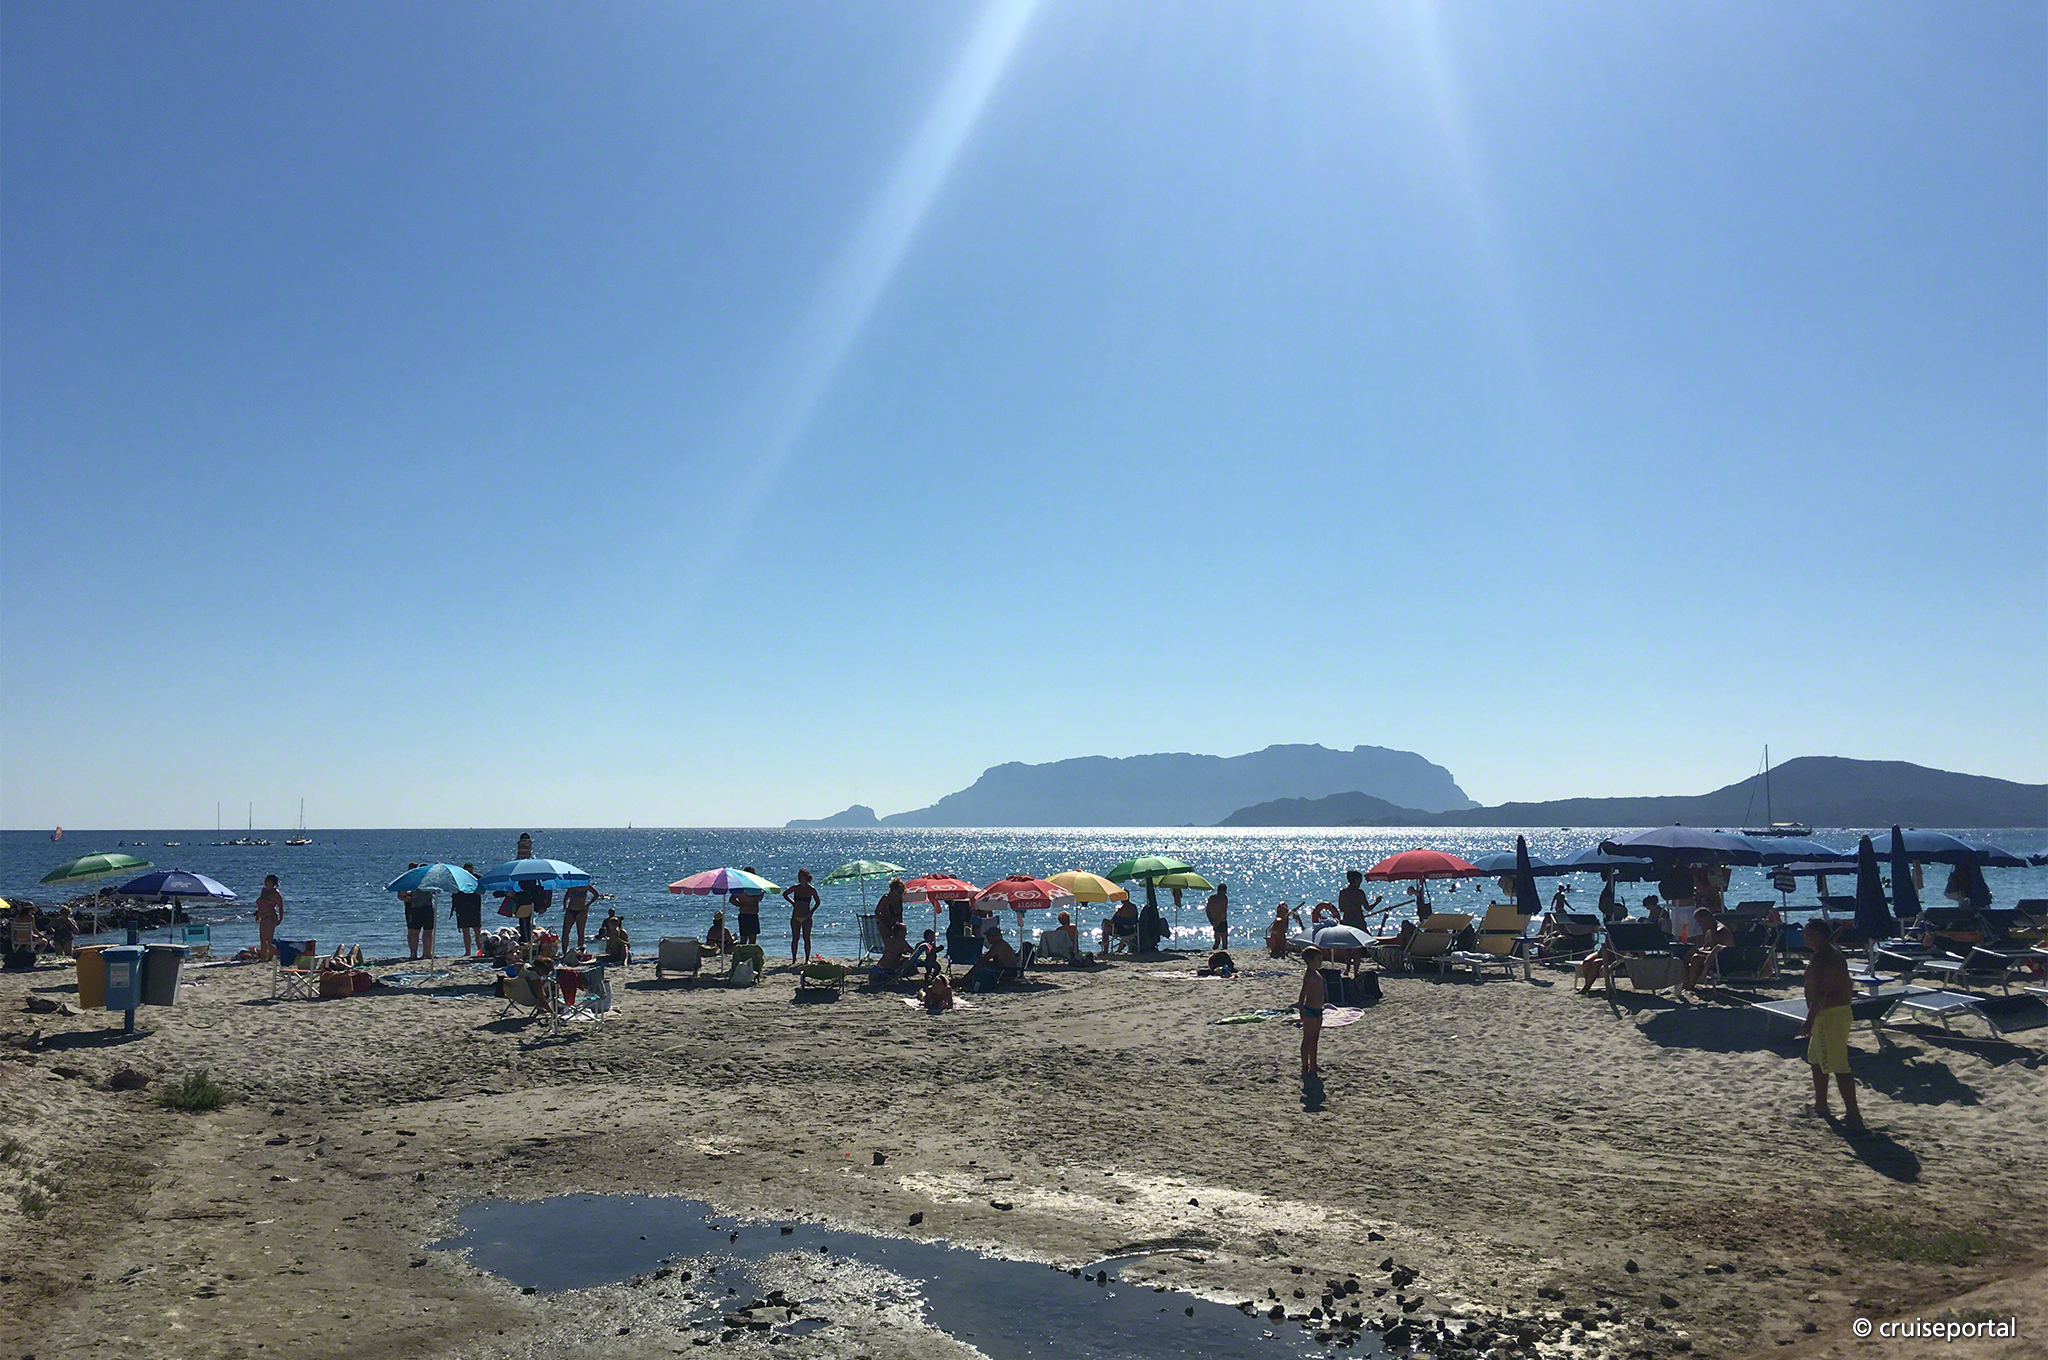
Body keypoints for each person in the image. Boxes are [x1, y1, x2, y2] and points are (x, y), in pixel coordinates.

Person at [1798, 919, 1863, 1131]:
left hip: (1829, 1015)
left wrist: (1809, 1020)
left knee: (1838, 1065)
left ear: (1817, 934)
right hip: (1831, 1013)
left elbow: (1821, 992)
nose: (1804, 936)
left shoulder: (1824, 957)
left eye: (1807, 933)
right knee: (1816, 1060)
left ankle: (1853, 1114)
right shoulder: (1828, 952)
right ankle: (1821, 1104)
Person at [1684, 902, 1733, 991]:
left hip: (1722, 961)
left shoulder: (1720, 931)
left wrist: (1700, 952)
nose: (1700, 924)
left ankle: (1691, 984)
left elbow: (1721, 951)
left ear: (1707, 918)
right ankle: (1686, 980)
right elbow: (1707, 947)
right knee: (1687, 954)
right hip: (1713, 957)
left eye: (1700, 922)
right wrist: (1698, 950)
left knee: (1696, 958)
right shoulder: (1710, 930)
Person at [1296, 946, 1326, 1076]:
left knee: (1315, 1039)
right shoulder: (1309, 975)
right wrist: (1301, 1010)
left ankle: (1313, 1065)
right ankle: (1305, 1066)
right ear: (1310, 960)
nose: (1320, 961)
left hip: (1318, 1010)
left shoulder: (1316, 973)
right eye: (1318, 959)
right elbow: (1302, 994)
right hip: (1310, 1010)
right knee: (1307, 1039)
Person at [783, 868, 819, 963]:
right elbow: (785, 894)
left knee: (807, 938)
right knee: (795, 938)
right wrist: (793, 903)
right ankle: (794, 959)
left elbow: (818, 902)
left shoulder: (811, 889)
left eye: (801, 877)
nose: (799, 878)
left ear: (806, 877)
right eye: (798, 877)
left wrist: (811, 912)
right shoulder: (796, 888)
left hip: (807, 916)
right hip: (796, 916)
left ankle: (807, 959)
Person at [451, 865, 485, 958]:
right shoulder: (459, 879)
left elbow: (482, 891)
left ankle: (480, 951)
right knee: (465, 930)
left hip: (474, 906)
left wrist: (473, 889)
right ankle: (468, 952)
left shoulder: (476, 878)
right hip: (462, 907)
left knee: (477, 930)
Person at [733, 867, 766, 947]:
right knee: (744, 938)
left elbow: (759, 898)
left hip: (752, 914)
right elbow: (732, 899)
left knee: (752, 938)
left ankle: (749, 953)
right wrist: (741, 904)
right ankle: (743, 953)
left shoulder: (755, 887)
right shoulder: (742, 887)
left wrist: (760, 892)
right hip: (745, 914)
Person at [255, 874, 285, 961]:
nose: (265, 882)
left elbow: (281, 907)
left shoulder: (276, 893)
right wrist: (257, 915)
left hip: (270, 916)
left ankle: (270, 956)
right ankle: (264, 956)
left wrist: (280, 918)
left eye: (267, 880)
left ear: (272, 882)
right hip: (262, 916)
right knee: (262, 938)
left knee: (268, 938)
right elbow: (260, 905)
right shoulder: (264, 891)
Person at [561, 882, 597, 951]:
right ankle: (564, 952)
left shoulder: (586, 885)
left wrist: (588, 905)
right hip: (571, 910)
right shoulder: (572, 885)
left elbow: (596, 895)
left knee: (580, 933)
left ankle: (580, 951)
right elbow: (566, 896)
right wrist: (565, 905)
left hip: (581, 911)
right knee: (565, 932)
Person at [1205, 882, 1230, 951]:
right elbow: (1223, 911)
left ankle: (1215, 952)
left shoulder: (1212, 898)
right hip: (1221, 921)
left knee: (1217, 941)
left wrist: (1211, 921)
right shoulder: (1223, 898)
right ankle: (1220, 953)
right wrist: (1215, 921)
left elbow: (1207, 910)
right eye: (1224, 890)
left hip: (1215, 921)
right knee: (1223, 942)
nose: (1225, 892)